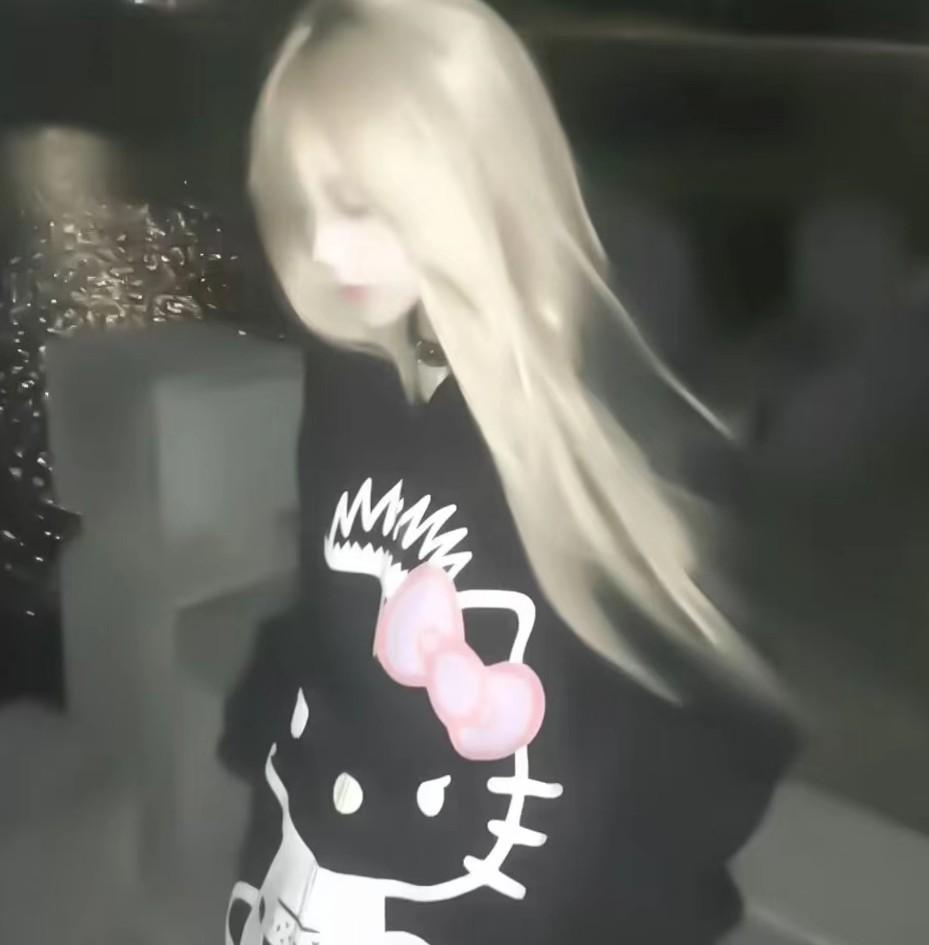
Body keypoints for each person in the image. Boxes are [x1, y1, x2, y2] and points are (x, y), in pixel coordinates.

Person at [219, 2, 795, 943]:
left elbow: (713, 700)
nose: (321, 247)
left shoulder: (605, 403)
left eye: (358, 204)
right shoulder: (355, 364)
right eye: (302, 205)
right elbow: (340, 602)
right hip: (335, 859)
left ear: (462, 177)